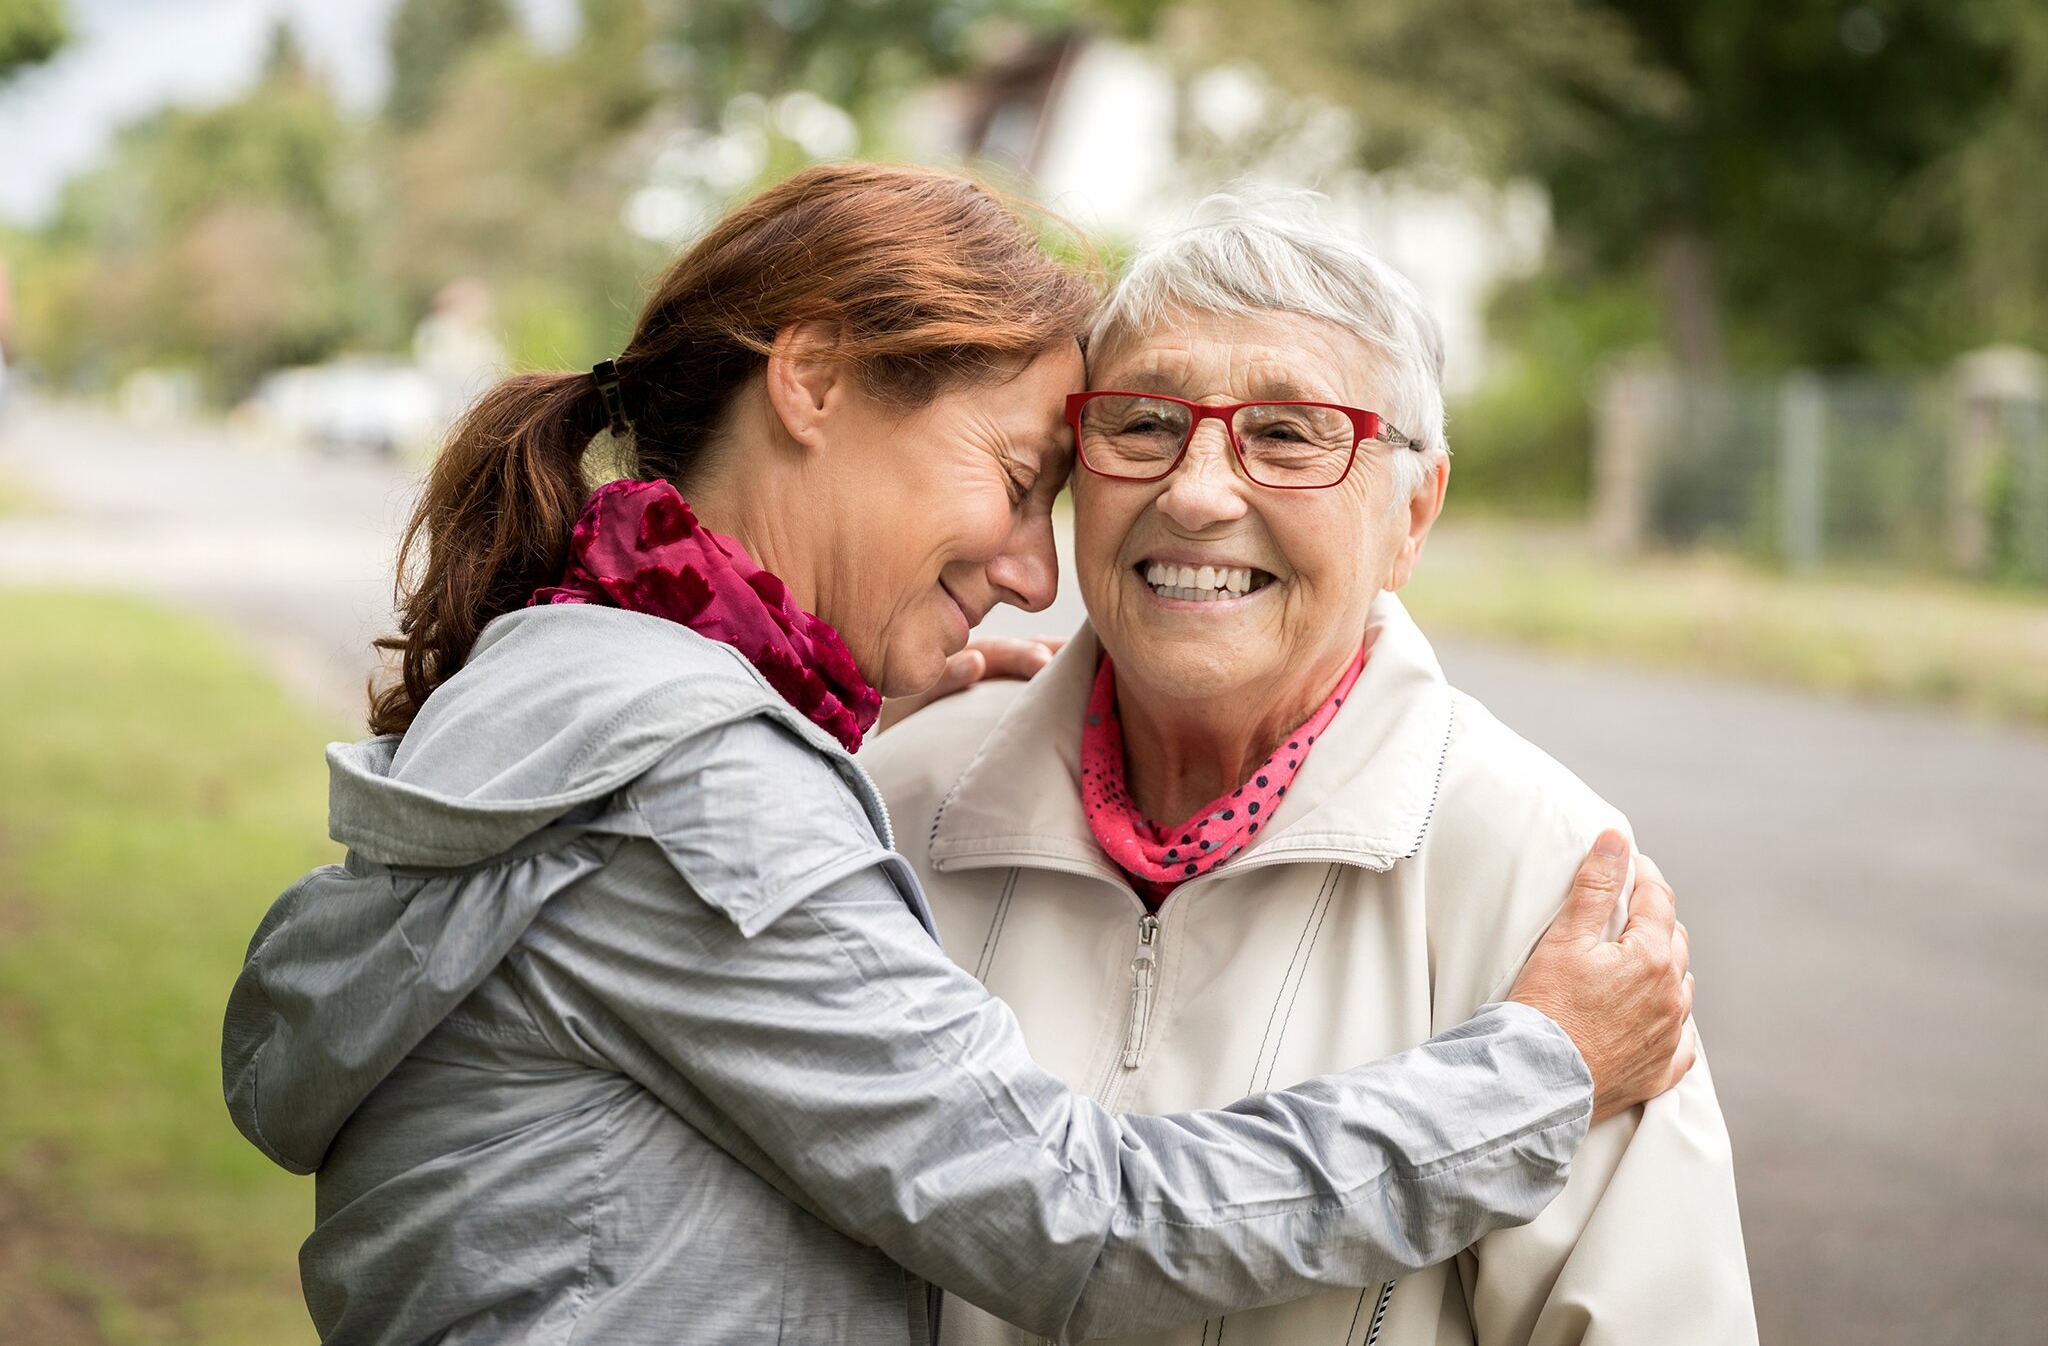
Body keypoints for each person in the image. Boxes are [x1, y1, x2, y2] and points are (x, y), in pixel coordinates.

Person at [220, 164, 1693, 1346]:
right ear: (814, 380)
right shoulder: (701, 788)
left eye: (1292, 436)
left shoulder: (594, 691)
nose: (1034, 571)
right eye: (1018, 477)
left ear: (1413, 505)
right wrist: (1540, 1073)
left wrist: (809, 751)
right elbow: (1078, 1218)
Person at [865, 191, 1754, 1346]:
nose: (1193, 492)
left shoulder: (1550, 879)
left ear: (1412, 515)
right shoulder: (893, 798)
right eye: (1139, 424)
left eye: (1287, 435)